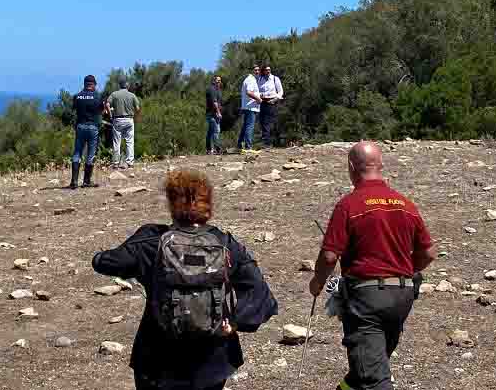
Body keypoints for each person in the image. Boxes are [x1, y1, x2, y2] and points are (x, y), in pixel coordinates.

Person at [92, 169, 278, 390]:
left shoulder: (151, 242)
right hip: (213, 360)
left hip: (157, 360)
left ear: (171, 203)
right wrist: (237, 322)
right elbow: (262, 295)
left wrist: (111, 251)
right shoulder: (225, 244)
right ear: (208, 204)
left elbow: (104, 262)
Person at [309, 141, 437, 390]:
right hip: (403, 296)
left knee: (373, 378)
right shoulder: (405, 204)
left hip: (366, 301)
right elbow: (429, 252)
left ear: (350, 167)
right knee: (367, 367)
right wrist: (406, 269)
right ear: (381, 166)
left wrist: (316, 282)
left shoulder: (349, 205)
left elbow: (328, 257)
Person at [68, 74, 105, 189]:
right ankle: (86, 181)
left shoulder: (77, 97)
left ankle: (74, 181)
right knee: (91, 153)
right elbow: (101, 111)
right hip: (93, 127)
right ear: (93, 84)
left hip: (80, 127)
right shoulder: (98, 97)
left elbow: (74, 109)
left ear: (84, 84)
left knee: (77, 153)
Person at [107, 77, 141, 168]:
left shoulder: (114, 94)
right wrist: (137, 117)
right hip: (129, 119)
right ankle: (130, 162)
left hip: (117, 120)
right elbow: (137, 108)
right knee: (129, 141)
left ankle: (115, 163)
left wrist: (110, 115)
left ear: (119, 85)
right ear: (127, 85)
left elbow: (107, 104)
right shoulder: (132, 95)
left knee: (116, 142)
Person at [257, 64, 283, 148]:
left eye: (269, 70)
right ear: (263, 71)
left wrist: (274, 100)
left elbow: (280, 92)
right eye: (266, 70)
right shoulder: (260, 79)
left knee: (269, 122)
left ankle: (269, 143)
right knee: (262, 122)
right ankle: (266, 142)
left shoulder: (275, 79)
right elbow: (257, 90)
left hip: (272, 102)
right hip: (262, 102)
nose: (268, 71)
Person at [236, 65, 261, 151]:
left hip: (248, 107)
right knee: (249, 127)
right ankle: (248, 147)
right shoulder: (251, 80)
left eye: (258, 70)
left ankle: (239, 145)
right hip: (250, 107)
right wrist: (258, 99)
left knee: (245, 126)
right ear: (251, 71)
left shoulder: (250, 79)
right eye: (255, 70)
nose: (257, 72)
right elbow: (249, 92)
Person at [205, 75, 223, 155]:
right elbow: (214, 102)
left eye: (220, 81)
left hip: (214, 113)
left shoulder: (217, 90)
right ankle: (217, 149)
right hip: (212, 114)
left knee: (210, 132)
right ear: (213, 81)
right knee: (216, 131)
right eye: (217, 80)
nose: (219, 82)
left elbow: (218, 102)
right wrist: (218, 112)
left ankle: (209, 149)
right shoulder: (211, 89)